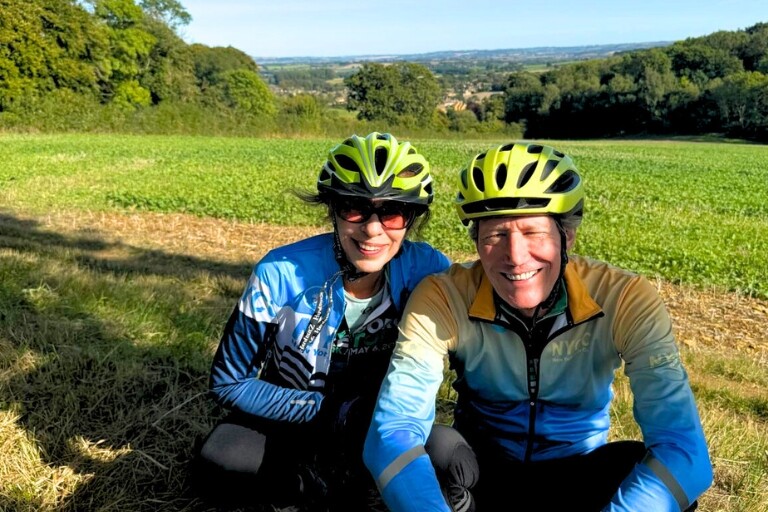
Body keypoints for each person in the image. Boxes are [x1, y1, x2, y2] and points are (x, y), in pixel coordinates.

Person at [363, 142, 713, 511]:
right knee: (436, 449)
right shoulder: (444, 297)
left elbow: (683, 448)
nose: (515, 257)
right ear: (477, 243)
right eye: (495, 235)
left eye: (534, 233)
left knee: (651, 471)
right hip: (483, 473)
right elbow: (394, 429)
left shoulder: (623, 298)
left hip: (576, 474)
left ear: (568, 236)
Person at [191, 132, 451, 511]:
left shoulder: (428, 270)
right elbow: (229, 383)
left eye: (393, 212)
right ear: (332, 208)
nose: (373, 229)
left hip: (379, 425)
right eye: (354, 207)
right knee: (222, 457)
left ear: (411, 219)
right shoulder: (280, 272)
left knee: (448, 455)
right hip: (292, 422)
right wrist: (327, 411)